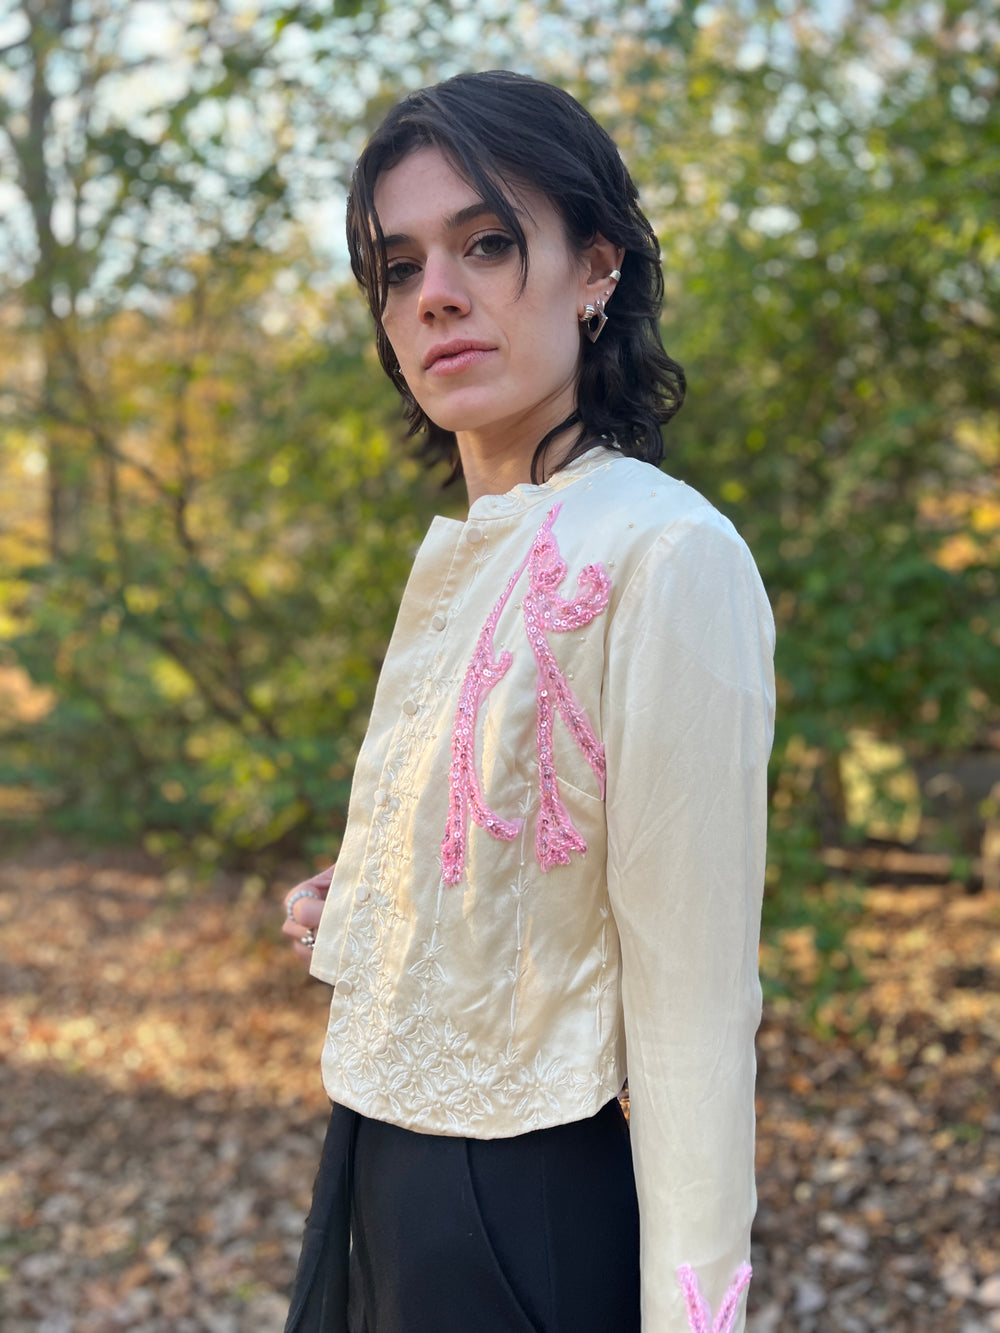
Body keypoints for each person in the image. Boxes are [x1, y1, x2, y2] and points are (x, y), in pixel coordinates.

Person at [281, 70, 775, 1333]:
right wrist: (373, 904)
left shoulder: (663, 553)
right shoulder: (479, 546)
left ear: (594, 268)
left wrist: (695, 1314)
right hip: (377, 1167)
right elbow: (516, 892)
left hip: (524, 1212)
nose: (434, 291)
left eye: (487, 243)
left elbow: (693, 1000)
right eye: (397, 267)